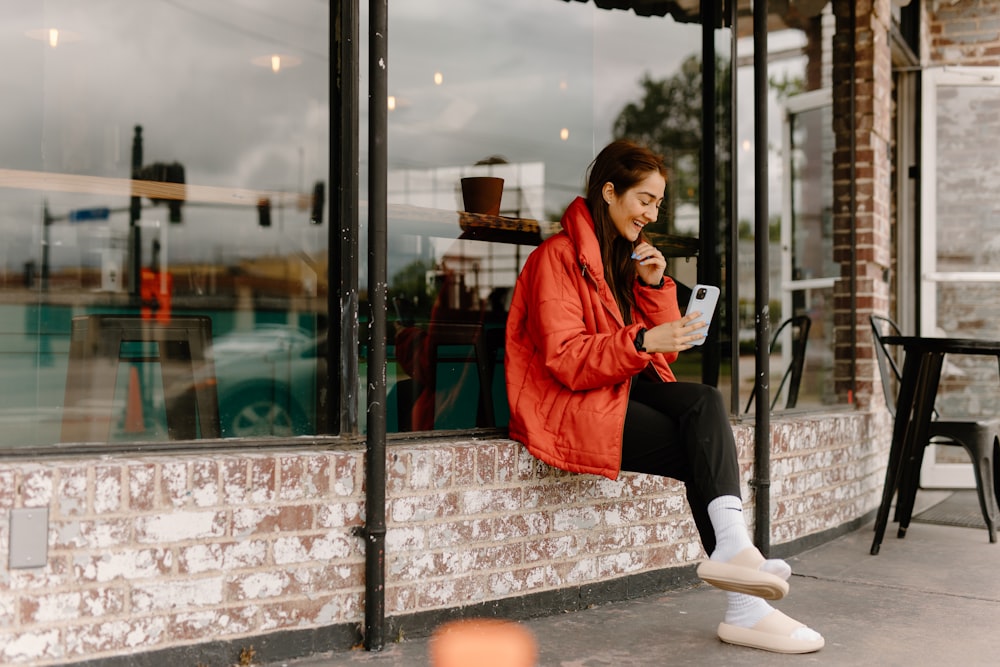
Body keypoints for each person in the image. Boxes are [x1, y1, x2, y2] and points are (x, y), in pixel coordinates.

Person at [504, 139, 824, 654]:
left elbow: (662, 357)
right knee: (702, 445)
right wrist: (641, 338)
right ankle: (746, 601)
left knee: (704, 403)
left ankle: (738, 559)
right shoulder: (556, 258)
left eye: (658, 204)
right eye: (644, 200)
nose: (651, 215)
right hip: (566, 406)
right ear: (609, 192)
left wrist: (653, 289)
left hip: (615, 392)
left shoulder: (616, 260)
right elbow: (566, 359)